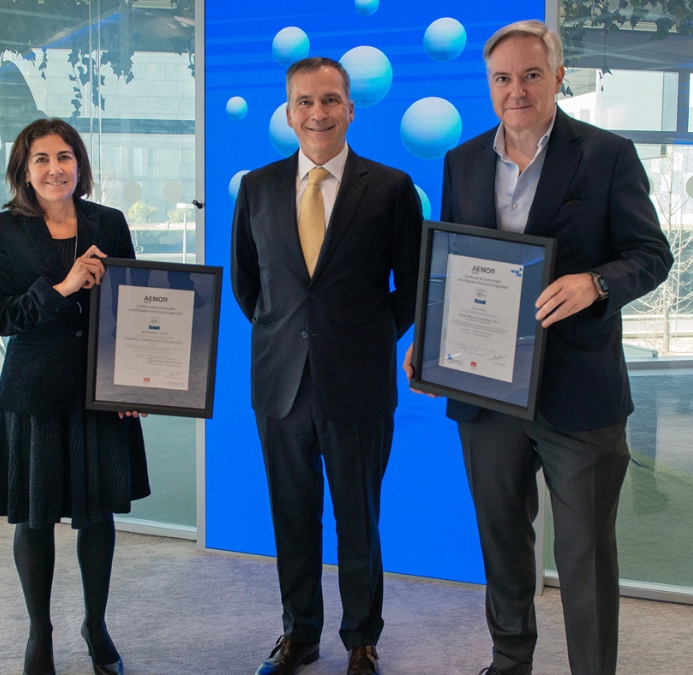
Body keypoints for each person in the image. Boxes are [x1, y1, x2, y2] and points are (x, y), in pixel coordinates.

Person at [403, 21, 673, 675]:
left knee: (584, 549)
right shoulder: (462, 161)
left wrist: (596, 282)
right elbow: (449, 262)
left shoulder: (607, 155)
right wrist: (426, 335)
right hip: (484, 385)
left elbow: (651, 255)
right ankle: (509, 658)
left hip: (580, 393)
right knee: (500, 536)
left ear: (557, 77)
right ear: (488, 85)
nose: (515, 90)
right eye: (502, 78)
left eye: (530, 75)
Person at [231, 57, 423, 675]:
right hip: (280, 382)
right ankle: (300, 634)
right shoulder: (257, 187)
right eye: (306, 102)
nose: (319, 113)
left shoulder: (390, 188)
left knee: (357, 518)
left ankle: (362, 639)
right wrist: (294, 336)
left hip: (359, 382)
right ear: (289, 113)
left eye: (331, 100)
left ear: (350, 108)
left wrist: (363, 340)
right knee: (292, 516)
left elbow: (412, 287)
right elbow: (246, 284)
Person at [0, 118, 149, 675]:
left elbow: (135, 305)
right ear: (24, 171)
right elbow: (2, 317)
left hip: (100, 391)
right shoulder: (0, 231)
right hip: (34, 392)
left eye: (65, 156)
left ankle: (95, 626)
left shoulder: (109, 222)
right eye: (42, 159)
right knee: (34, 520)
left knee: (97, 516)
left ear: (80, 164)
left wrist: (133, 378)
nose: (55, 169)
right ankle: (40, 633)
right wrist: (62, 288)